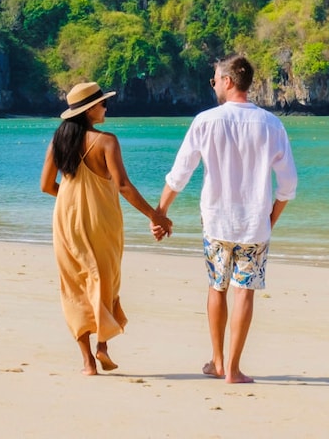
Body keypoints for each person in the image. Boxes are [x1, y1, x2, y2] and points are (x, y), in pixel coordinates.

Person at [156, 55, 298, 385]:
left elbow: (180, 174)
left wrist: (160, 213)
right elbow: (288, 184)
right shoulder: (271, 124)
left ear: (229, 81)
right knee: (244, 293)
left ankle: (218, 362)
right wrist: (270, 219)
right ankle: (233, 369)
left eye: (215, 80)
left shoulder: (206, 121)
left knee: (216, 288)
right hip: (254, 225)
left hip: (217, 223)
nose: (214, 85)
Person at [40, 80, 172, 376]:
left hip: (65, 220)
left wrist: (72, 199)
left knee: (75, 284)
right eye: (101, 104)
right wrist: (155, 215)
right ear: (89, 111)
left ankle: (88, 362)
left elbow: (46, 185)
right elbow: (123, 186)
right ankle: (102, 345)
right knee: (105, 279)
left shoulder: (57, 142)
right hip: (101, 219)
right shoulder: (107, 141)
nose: (106, 107)